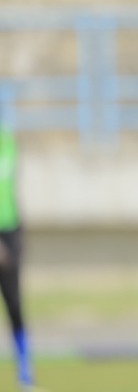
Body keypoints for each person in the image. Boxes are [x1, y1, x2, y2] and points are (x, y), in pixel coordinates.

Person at [0, 123, 34, 390]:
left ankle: (25, 373)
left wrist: (19, 234)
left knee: (14, 304)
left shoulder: (10, 143)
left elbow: (11, 191)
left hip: (9, 231)